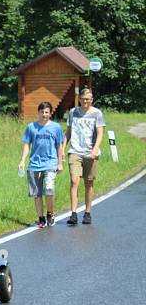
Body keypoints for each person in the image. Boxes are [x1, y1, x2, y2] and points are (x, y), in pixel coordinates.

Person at [19, 101, 65, 227]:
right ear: (38, 113)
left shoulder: (56, 127)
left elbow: (59, 145)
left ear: (50, 114)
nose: (44, 114)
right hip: (34, 164)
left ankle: (50, 213)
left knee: (49, 190)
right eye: (42, 112)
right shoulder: (31, 127)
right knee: (36, 193)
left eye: (46, 112)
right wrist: (23, 160)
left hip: (50, 163)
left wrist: (60, 163)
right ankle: (41, 218)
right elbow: (27, 145)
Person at [65, 88, 105, 225]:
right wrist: (62, 148)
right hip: (75, 151)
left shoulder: (97, 113)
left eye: (88, 99)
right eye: (83, 99)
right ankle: (74, 213)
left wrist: (95, 150)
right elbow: (68, 132)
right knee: (74, 181)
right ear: (79, 99)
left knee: (88, 183)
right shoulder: (73, 113)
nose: (85, 101)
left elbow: (100, 133)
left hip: (90, 152)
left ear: (91, 100)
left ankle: (87, 213)